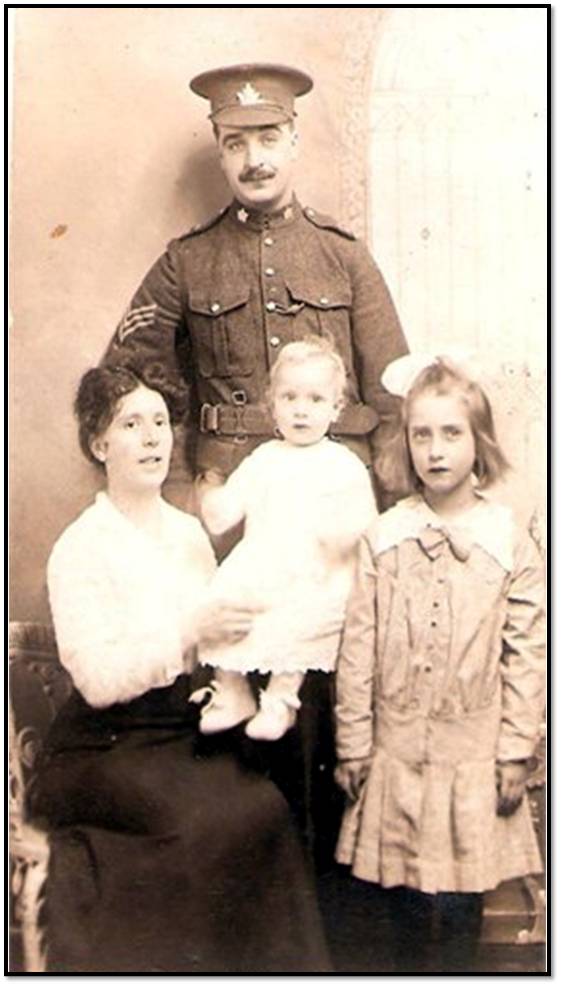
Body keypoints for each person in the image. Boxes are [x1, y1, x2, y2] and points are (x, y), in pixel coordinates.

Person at [99, 60, 408, 873]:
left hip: (332, 527)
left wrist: (379, 530)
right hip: (231, 522)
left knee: (327, 716)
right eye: (236, 143)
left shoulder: (344, 258)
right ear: (219, 148)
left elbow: (391, 396)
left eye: (268, 138)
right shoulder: (187, 261)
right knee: (232, 718)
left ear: (294, 140)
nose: (254, 158)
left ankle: (330, 912)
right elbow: (127, 377)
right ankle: (250, 915)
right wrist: (181, 486)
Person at [31, 363, 331, 974]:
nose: (152, 438)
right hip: (103, 743)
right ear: (98, 444)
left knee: (264, 808)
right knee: (197, 823)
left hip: (177, 728)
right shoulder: (81, 547)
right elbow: (98, 681)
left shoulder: (189, 533)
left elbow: (218, 640)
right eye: (131, 424)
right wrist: (188, 632)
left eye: (161, 423)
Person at [334, 354, 545, 973]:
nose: (435, 449)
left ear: (479, 441)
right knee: (400, 897)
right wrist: (354, 744)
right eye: (421, 434)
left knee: (458, 900)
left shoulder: (508, 539)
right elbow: (357, 647)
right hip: (396, 750)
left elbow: (527, 652)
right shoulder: (384, 536)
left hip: (473, 753)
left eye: (452, 433)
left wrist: (515, 750)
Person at [192, 336, 376, 741]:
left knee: (309, 612)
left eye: (315, 399)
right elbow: (229, 507)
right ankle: (232, 689)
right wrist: (215, 500)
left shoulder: (343, 465)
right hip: (263, 562)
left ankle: (281, 697)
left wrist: (343, 539)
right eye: (289, 397)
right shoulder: (263, 459)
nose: (301, 410)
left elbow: (365, 524)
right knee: (223, 596)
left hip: (317, 568)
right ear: (272, 405)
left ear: (336, 407)